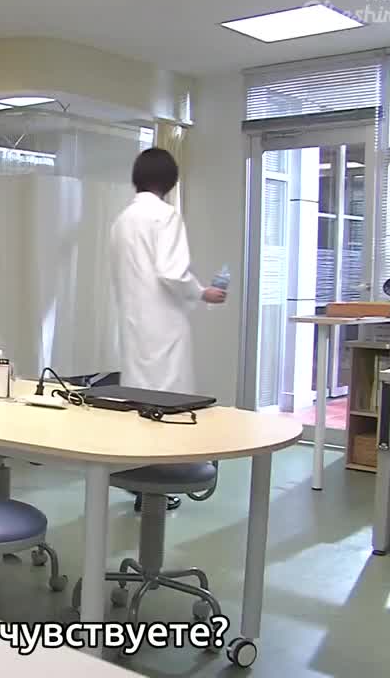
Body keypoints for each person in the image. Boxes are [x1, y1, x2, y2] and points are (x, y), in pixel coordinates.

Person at [109, 147, 226, 512]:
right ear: (170, 181)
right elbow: (172, 272)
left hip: (134, 323)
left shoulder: (122, 221)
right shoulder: (165, 215)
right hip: (164, 324)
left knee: (139, 401)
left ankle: (140, 481)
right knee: (168, 403)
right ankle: (159, 485)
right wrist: (203, 292)